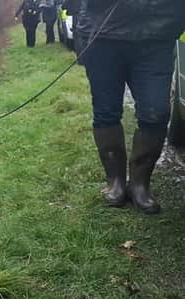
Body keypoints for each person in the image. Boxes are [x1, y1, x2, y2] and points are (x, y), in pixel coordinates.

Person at [79, 0, 185, 214]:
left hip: (158, 32)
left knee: (156, 113)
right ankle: (115, 183)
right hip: (104, 33)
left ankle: (140, 185)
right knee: (105, 112)